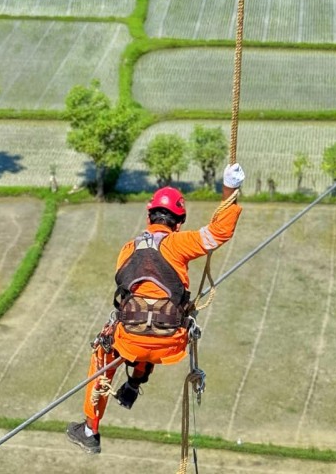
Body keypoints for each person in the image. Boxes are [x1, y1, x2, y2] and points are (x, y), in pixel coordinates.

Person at [66, 163, 245, 454]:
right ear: (178, 221)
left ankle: (90, 430)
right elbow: (219, 232)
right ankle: (134, 383)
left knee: (104, 352)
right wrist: (229, 189)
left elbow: (127, 291)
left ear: (150, 216)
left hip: (132, 340)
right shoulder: (179, 242)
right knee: (153, 322)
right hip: (171, 343)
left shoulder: (127, 248)